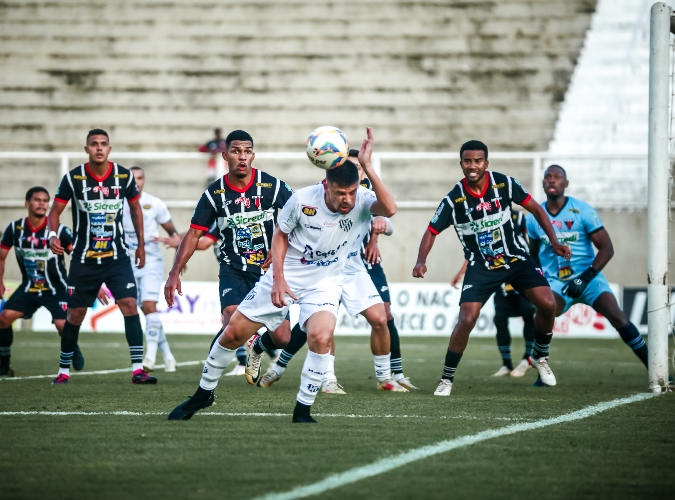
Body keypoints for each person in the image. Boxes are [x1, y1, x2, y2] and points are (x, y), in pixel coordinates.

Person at [167, 127, 398, 423]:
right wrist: (278, 278)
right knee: (233, 333)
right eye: (341, 193)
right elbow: (280, 234)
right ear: (325, 187)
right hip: (282, 276)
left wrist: (367, 166)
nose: (347, 200)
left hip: (326, 283)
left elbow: (389, 208)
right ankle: (203, 395)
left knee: (321, 335)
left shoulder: (361, 199)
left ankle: (302, 410)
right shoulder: (302, 200)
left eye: (351, 193)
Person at [412, 140, 571, 396]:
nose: (472, 166)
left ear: (486, 163)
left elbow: (536, 210)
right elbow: (431, 232)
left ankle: (540, 357)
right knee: (466, 319)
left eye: (478, 161)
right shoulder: (454, 199)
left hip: (516, 259)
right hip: (481, 266)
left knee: (548, 304)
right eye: (467, 161)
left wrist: (554, 241)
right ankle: (446, 379)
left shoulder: (504, 184)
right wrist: (421, 260)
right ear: (461, 163)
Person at [258, 149, 416, 392]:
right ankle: (323, 378)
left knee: (380, 318)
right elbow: (292, 230)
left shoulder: (363, 197)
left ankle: (386, 378)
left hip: (352, 268)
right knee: (316, 327)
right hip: (322, 270)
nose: (355, 173)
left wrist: (379, 229)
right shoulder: (322, 197)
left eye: (359, 168)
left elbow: (388, 213)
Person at [163, 129, 294, 386]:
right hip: (234, 268)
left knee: (283, 338)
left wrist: (281, 250)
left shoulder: (273, 186)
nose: (242, 157)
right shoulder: (215, 194)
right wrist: (175, 271)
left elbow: (299, 219)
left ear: (253, 155)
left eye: (247, 151)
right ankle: (206, 383)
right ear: (225, 155)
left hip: (269, 271)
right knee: (232, 318)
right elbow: (193, 235)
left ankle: (258, 346)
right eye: (236, 151)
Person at [47, 129, 157, 385]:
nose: (99, 148)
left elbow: (135, 209)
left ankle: (138, 369)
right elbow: (55, 210)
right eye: (94, 144)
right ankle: (63, 370)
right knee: (75, 315)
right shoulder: (73, 178)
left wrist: (140, 245)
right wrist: (52, 234)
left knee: (130, 304)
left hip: (117, 256)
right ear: (86, 149)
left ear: (109, 149)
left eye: (103, 144)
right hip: (84, 258)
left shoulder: (122, 176)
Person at [526, 164, 648, 371]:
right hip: (556, 281)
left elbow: (607, 248)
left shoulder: (583, 211)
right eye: (548, 177)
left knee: (617, 316)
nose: (552, 180)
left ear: (566, 183)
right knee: (545, 310)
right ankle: (540, 363)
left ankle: (654, 368)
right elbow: (534, 255)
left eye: (557, 177)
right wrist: (537, 283)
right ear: (543, 183)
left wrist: (585, 277)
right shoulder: (533, 218)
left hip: (589, 277)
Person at [0, 187, 84, 376]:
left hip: (56, 288)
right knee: (4, 318)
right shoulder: (15, 229)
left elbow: (78, 256)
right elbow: (1, 257)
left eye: (45, 200)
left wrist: (82, 282)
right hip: (29, 288)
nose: (42, 204)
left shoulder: (59, 231)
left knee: (63, 325)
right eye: (37, 200)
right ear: (27, 203)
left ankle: (73, 349)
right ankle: (4, 365)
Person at [450, 209, 535, 378]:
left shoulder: (519, 218)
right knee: (500, 318)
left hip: (518, 272)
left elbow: (532, 242)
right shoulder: (486, 219)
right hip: (499, 276)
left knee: (528, 311)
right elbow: (478, 251)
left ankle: (527, 358)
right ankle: (506, 364)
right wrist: (461, 273)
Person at [122, 166, 180, 372]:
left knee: (148, 305)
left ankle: (150, 357)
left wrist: (177, 249)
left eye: (139, 178)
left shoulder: (154, 203)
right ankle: (169, 357)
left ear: (144, 181)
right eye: (132, 178)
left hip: (151, 260)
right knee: (146, 311)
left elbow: (174, 234)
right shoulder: (118, 203)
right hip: (126, 262)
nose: (136, 182)